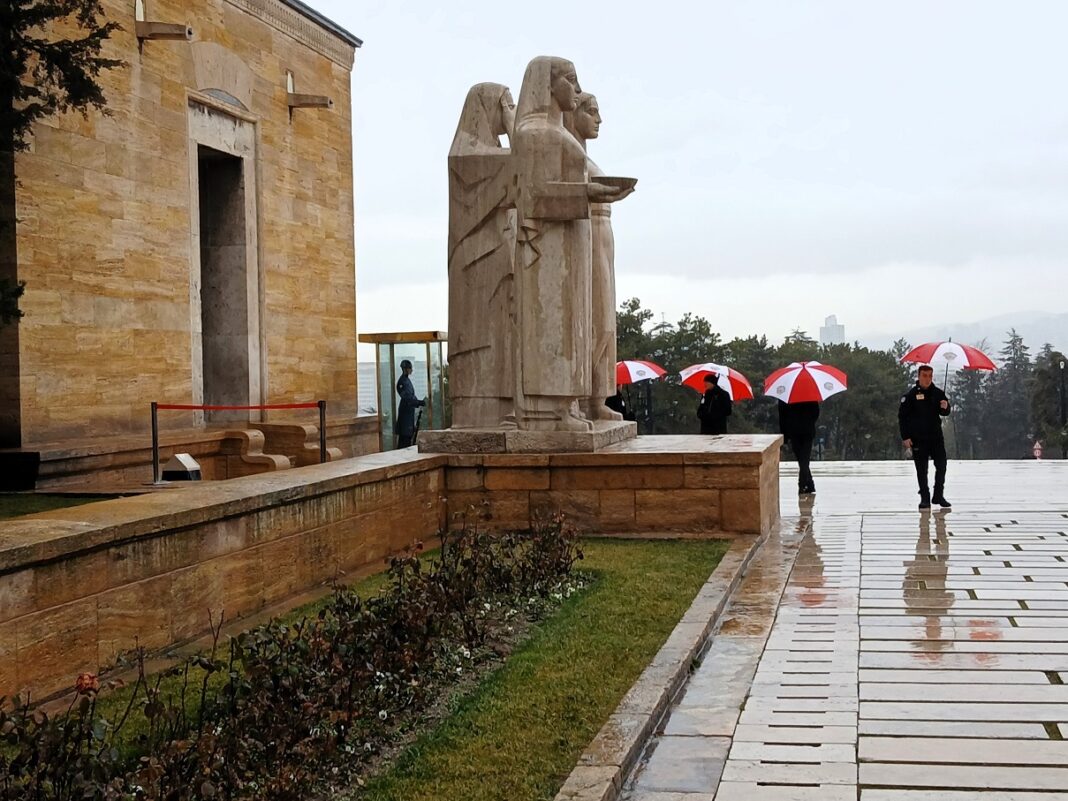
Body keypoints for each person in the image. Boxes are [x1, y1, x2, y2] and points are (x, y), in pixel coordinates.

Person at [899, 364, 952, 509]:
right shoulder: (910, 396)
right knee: (922, 469)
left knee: (941, 465)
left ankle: (938, 495)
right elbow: (902, 417)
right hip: (918, 438)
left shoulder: (938, 393)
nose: (927, 379)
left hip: (935, 437)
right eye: (924, 376)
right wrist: (905, 437)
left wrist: (945, 406)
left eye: (930, 376)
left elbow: (945, 412)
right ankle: (925, 497)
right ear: (919, 376)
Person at [779, 400, 819, 495]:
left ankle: (802, 484)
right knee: (804, 459)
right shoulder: (809, 395)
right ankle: (809, 484)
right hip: (807, 430)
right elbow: (816, 412)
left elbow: (782, 416)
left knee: (802, 459)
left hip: (794, 431)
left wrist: (784, 436)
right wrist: (809, 422)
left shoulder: (785, 397)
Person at [395, 359, 425, 448]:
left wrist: (418, 402)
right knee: (404, 439)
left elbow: (412, 395)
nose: (411, 370)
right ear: (405, 369)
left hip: (409, 412)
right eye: (410, 368)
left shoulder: (407, 380)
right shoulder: (402, 382)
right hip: (405, 413)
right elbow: (407, 397)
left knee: (408, 437)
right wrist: (418, 402)